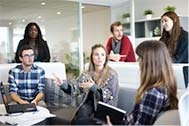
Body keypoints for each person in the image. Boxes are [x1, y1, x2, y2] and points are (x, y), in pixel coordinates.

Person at [105, 40, 178, 125]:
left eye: (140, 57)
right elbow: (135, 116)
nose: (138, 60)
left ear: (149, 62)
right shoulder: (163, 86)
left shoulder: (153, 94)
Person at [53, 44, 119, 125]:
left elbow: (109, 96)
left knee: (83, 122)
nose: (99, 57)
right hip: (88, 106)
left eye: (102, 54)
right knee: (79, 120)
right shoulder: (86, 73)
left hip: (104, 109)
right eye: (96, 54)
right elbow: (76, 89)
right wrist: (63, 84)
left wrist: (93, 87)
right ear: (92, 57)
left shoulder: (112, 74)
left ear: (106, 57)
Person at [160, 11, 188, 88]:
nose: (163, 24)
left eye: (166, 21)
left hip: (182, 74)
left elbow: (177, 59)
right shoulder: (163, 38)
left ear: (174, 20)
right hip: (167, 72)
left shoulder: (185, 36)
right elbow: (158, 53)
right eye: (162, 21)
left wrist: (160, 61)